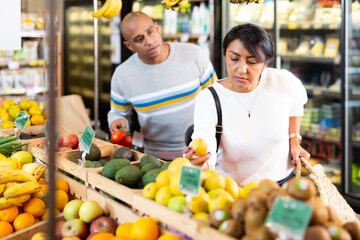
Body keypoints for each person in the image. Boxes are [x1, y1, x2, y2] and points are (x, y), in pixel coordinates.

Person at [183, 23, 310, 186]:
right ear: (224, 54)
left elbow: (297, 104)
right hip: (234, 191)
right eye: (234, 58)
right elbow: (204, 141)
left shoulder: (282, 82)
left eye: (252, 61)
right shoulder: (210, 98)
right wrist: (199, 163)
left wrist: (294, 139)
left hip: (283, 185)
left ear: (266, 62)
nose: (241, 69)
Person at [107, 12, 217, 160]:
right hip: (155, 159)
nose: (149, 41)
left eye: (150, 32)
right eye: (139, 39)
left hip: (200, 151)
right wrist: (116, 121)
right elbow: (118, 113)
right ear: (129, 46)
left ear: (157, 28)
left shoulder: (194, 54)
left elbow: (216, 97)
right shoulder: (122, 75)